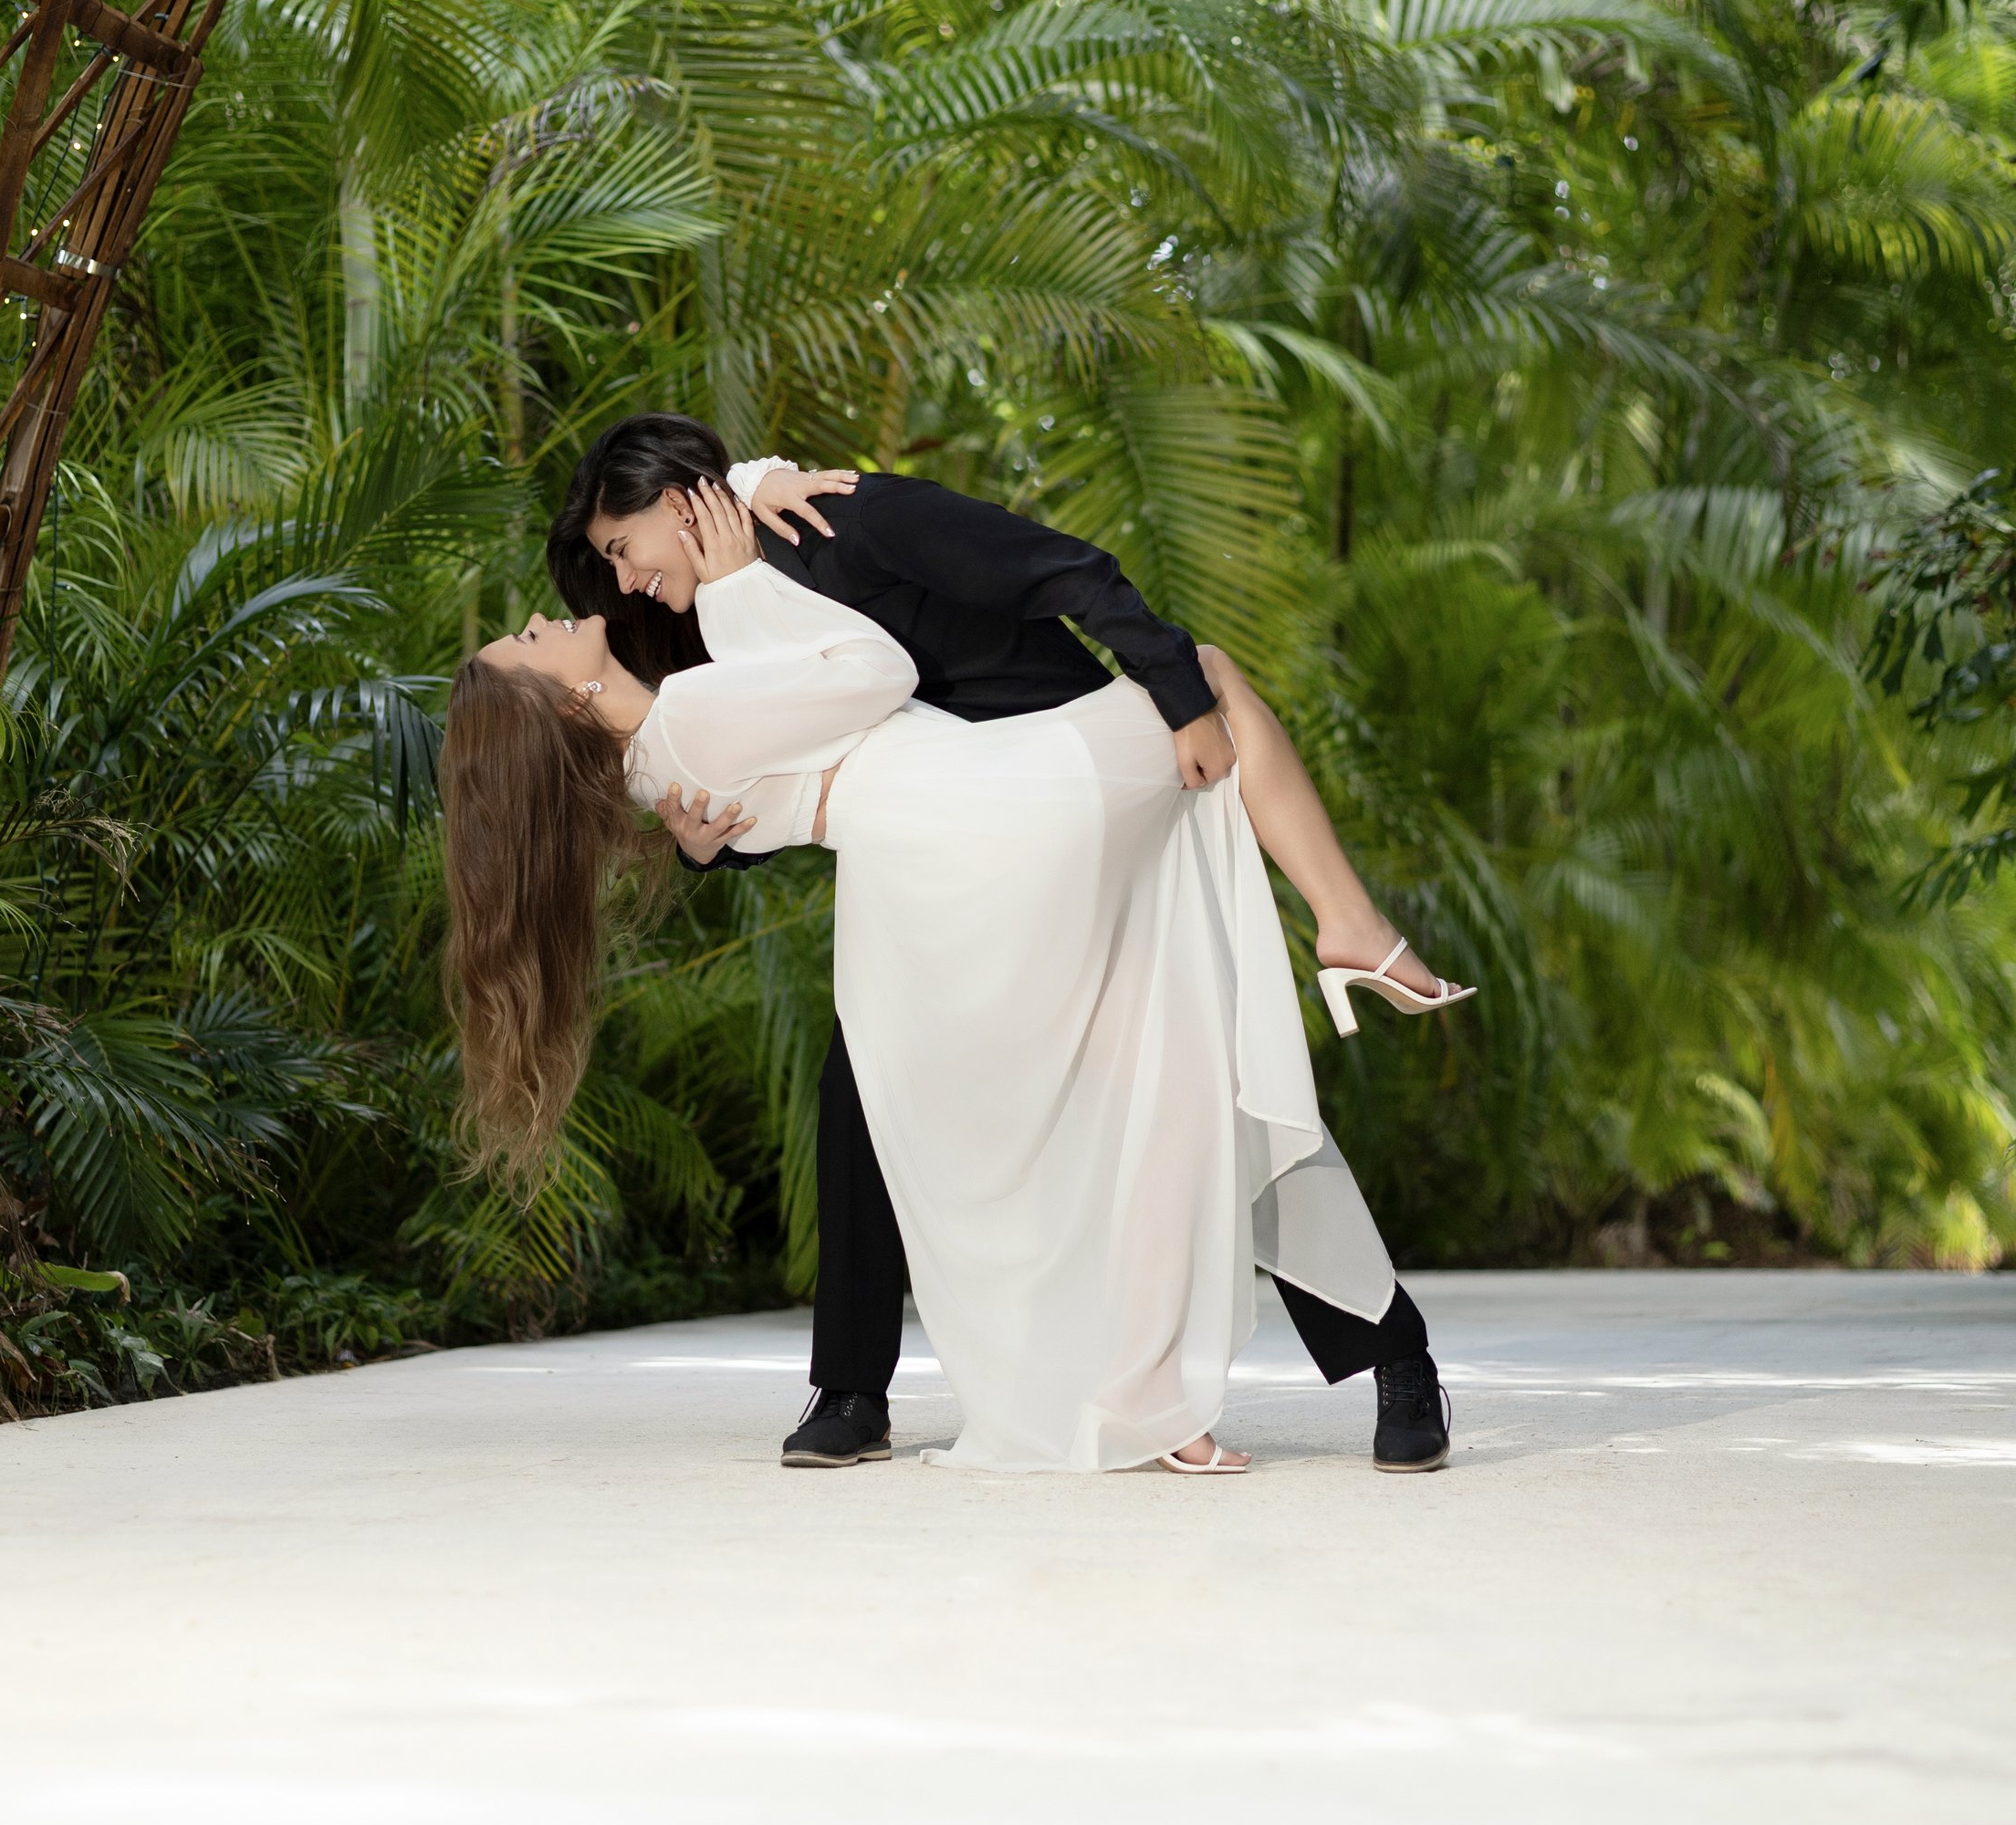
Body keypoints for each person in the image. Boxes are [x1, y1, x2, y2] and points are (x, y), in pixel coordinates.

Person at [503, 422, 1465, 1469]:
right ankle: (854, 1389)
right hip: (956, 858)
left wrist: (1175, 696)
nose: (623, 584)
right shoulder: (713, 615)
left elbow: (1063, 569)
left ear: (677, 502)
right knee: (868, 1090)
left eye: (622, 549)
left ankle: (1388, 1356)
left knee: (1208, 1072)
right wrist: (704, 844)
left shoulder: (853, 520)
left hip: (1068, 792)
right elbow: (768, 773)